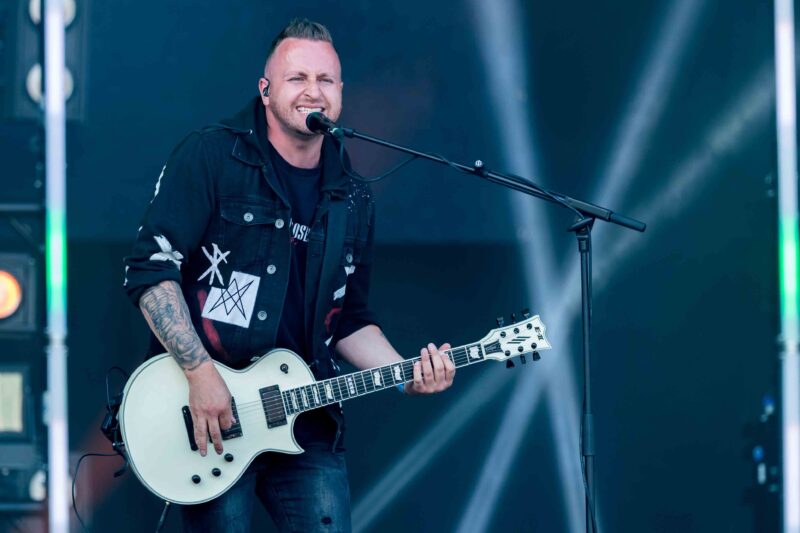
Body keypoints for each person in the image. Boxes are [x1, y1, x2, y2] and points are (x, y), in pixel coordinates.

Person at [123, 18, 455, 533]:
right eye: (297, 78)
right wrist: (199, 373)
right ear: (266, 90)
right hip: (214, 406)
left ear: (341, 92)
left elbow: (348, 318)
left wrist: (404, 373)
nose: (312, 91)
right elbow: (151, 270)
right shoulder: (212, 156)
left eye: (325, 80)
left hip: (304, 415)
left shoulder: (352, 196)